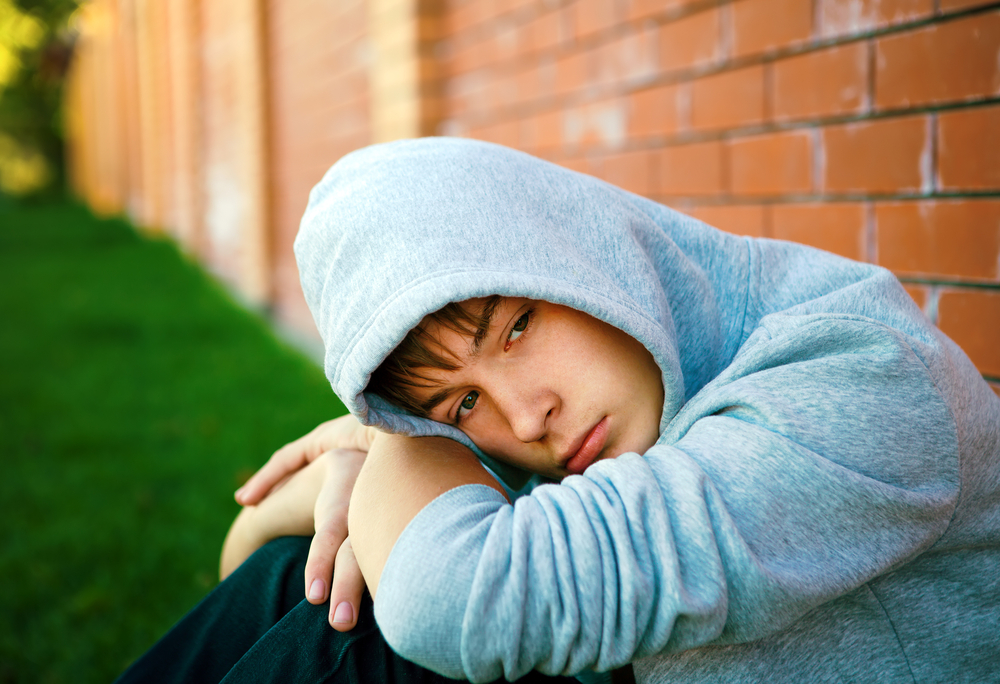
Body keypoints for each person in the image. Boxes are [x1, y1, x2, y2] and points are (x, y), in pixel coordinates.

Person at [117, 138, 1000, 684]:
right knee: (314, 592)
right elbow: (251, 551)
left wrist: (389, 440)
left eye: (517, 327)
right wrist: (378, 451)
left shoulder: (860, 371)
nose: (527, 415)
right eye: (460, 401)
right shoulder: (584, 427)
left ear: (574, 252)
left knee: (384, 642)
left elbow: (452, 601)